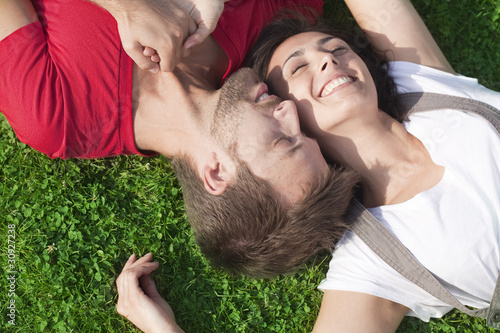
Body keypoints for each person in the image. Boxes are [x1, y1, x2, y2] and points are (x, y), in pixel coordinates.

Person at [116, 0, 499, 332]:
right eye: (298, 69)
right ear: (286, 110)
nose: (329, 59)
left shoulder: (424, 83)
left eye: (336, 48)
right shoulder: (374, 259)